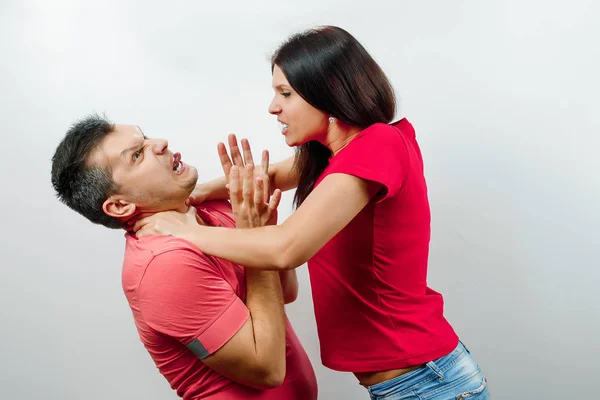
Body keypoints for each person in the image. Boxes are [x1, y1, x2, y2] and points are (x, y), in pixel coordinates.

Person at [136, 26, 490, 399]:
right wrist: (197, 193)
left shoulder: (378, 145)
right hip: (412, 383)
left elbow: (286, 248)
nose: (274, 107)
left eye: (285, 93)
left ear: (330, 91)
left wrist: (181, 229)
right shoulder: (335, 155)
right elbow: (269, 176)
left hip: (430, 383)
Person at [50, 115, 317, 400]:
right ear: (119, 205)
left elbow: (285, 292)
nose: (161, 144)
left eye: (146, 137)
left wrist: (261, 230)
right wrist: (256, 237)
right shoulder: (162, 267)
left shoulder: (209, 209)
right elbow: (267, 370)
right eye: (138, 155)